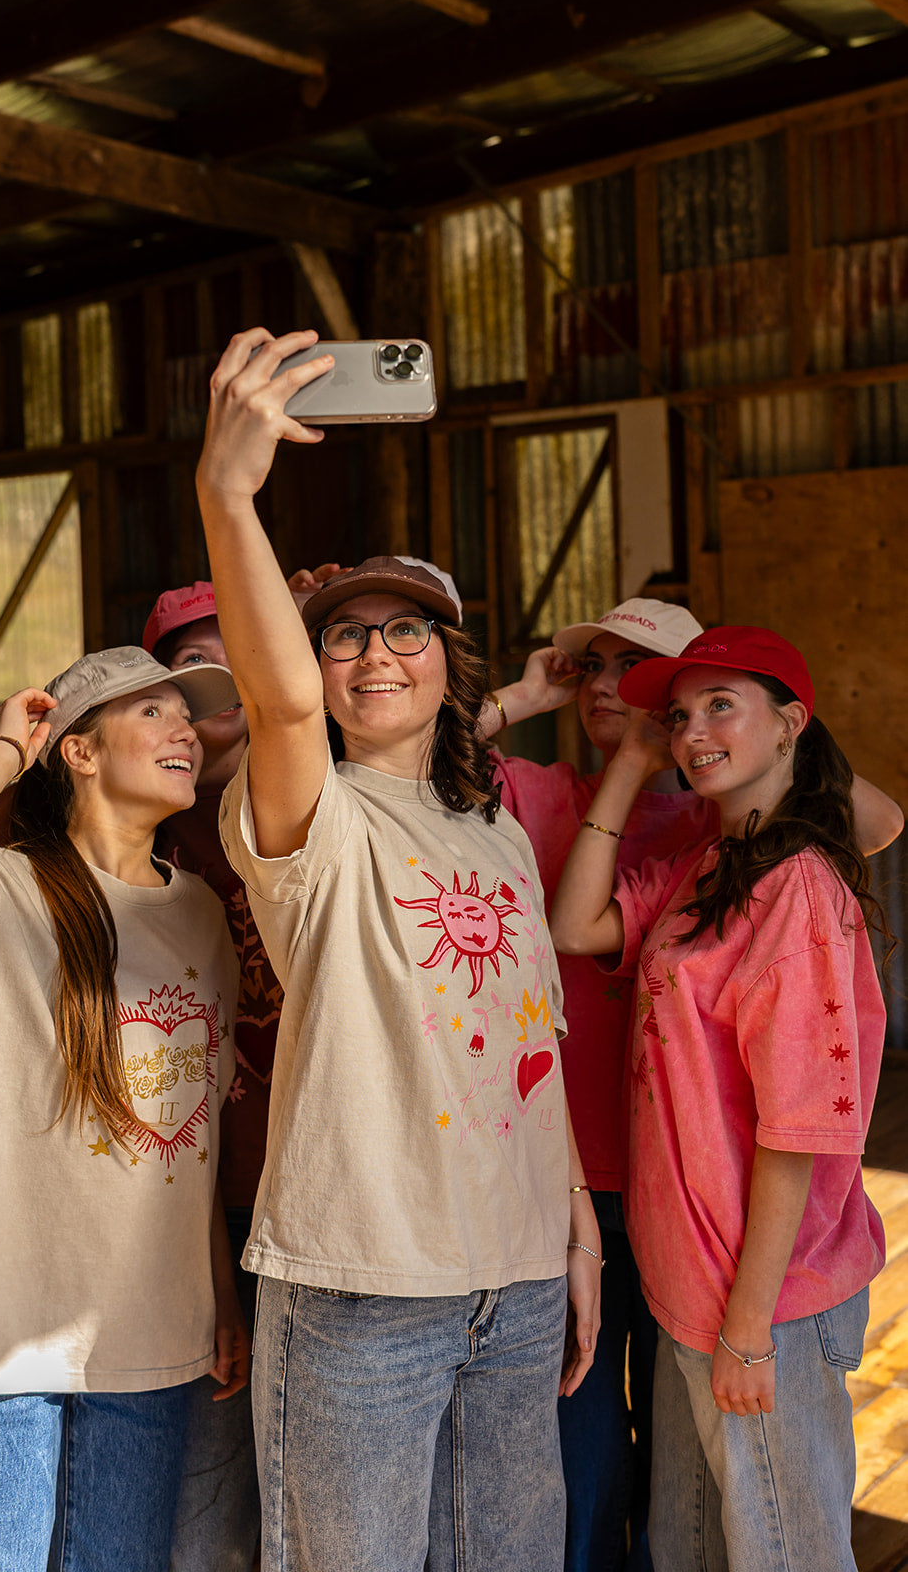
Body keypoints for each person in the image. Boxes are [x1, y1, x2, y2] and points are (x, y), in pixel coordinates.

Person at [195, 326, 602, 1572]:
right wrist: (227, 494)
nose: (376, 651)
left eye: (406, 631)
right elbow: (275, 704)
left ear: (447, 665)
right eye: (345, 635)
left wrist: (574, 1229)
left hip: (515, 1280)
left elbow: (532, 1047)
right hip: (362, 1283)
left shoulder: (493, 829)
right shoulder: (310, 815)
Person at [472, 600, 902, 1572]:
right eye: (680, 714)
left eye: (720, 705)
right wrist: (636, 757)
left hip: (760, 1298)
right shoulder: (705, 867)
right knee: (693, 1548)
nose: (693, 730)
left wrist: (748, 1322)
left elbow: (798, 1127)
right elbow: (573, 928)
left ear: (790, 722)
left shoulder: (797, 886)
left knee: (783, 1551)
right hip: (690, 1289)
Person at [0, 646, 245, 1572]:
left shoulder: (202, 913)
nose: (184, 731)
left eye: (186, 715)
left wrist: (216, 1292)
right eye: (152, 712)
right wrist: (5, 750)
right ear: (77, 751)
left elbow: (191, 1131)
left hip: (148, 1326)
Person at [141, 567, 340, 1572]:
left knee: (323, 1488)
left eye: (243, 660)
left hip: (324, 1201)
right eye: (194, 670)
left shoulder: (330, 807)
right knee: (208, 1487)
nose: (224, 687)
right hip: (194, 1203)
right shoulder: (135, 839)